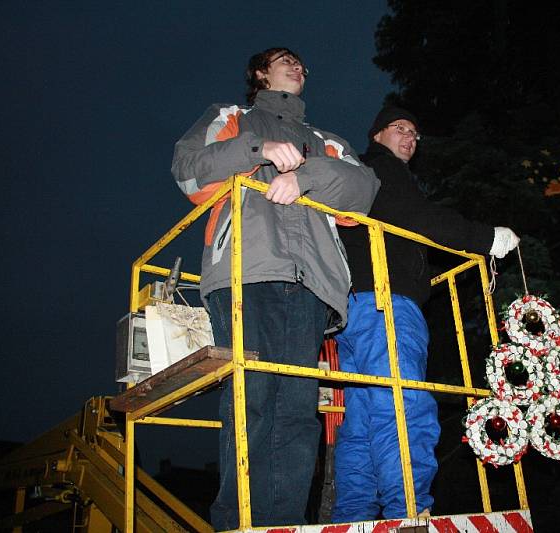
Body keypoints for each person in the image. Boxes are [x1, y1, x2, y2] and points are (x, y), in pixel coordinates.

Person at [171, 48, 379, 529]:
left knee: (298, 411)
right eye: (286, 60)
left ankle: (283, 523)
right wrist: (257, 150)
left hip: (312, 282)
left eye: (303, 63)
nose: (298, 67)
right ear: (261, 73)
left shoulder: (326, 140)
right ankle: (238, 521)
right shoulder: (232, 116)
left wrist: (304, 176)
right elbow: (187, 167)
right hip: (247, 269)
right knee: (254, 396)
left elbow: (362, 192)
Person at [331, 106, 520, 521]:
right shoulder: (384, 171)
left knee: (364, 418)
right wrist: (485, 238)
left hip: (357, 308)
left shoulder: (365, 178)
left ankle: (354, 517)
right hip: (387, 303)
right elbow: (419, 219)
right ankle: (411, 514)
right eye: (400, 128)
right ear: (377, 134)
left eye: (415, 133)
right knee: (404, 405)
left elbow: (405, 239)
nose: (410, 138)